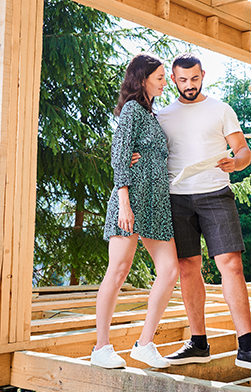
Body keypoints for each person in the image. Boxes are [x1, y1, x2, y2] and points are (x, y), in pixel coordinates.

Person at [155, 53, 251, 374]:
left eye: (195, 79)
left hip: (215, 194)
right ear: (173, 80)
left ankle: (248, 346)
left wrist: (235, 162)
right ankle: (198, 343)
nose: (189, 85)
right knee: (187, 268)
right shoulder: (163, 115)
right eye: (183, 80)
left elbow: (244, 152)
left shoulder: (221, 109)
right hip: (177, 199)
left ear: (203, 75)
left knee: (231, 265)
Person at [90, 53, 178, 370]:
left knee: (169, 271)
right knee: (118, 271)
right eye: (159, 77)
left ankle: (144, 344)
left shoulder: (151, 115)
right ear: (142, 79)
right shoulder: (132, 110)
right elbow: (120, 155)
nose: (164, 82)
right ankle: (101, 348)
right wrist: (124, 202)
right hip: (130, 200)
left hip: (156, 203)